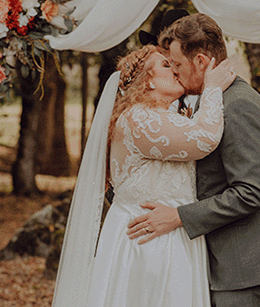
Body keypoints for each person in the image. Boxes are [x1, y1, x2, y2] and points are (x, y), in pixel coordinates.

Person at [127, 13, 260, 306]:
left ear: (200, 61)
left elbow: (250, 193)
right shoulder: (215, 100)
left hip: (247, 264)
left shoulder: (238, 106)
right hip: (230, 259)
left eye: (177, 65)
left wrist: (177, 216)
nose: (175, 73)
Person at [53, 44, 235, 307]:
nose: (174, 69)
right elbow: (205, 138)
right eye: (165, 65)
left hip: (166, 233)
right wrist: (213, 90)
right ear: (147, 81)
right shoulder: (140, 119)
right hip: (147, 243)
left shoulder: (158, 116)